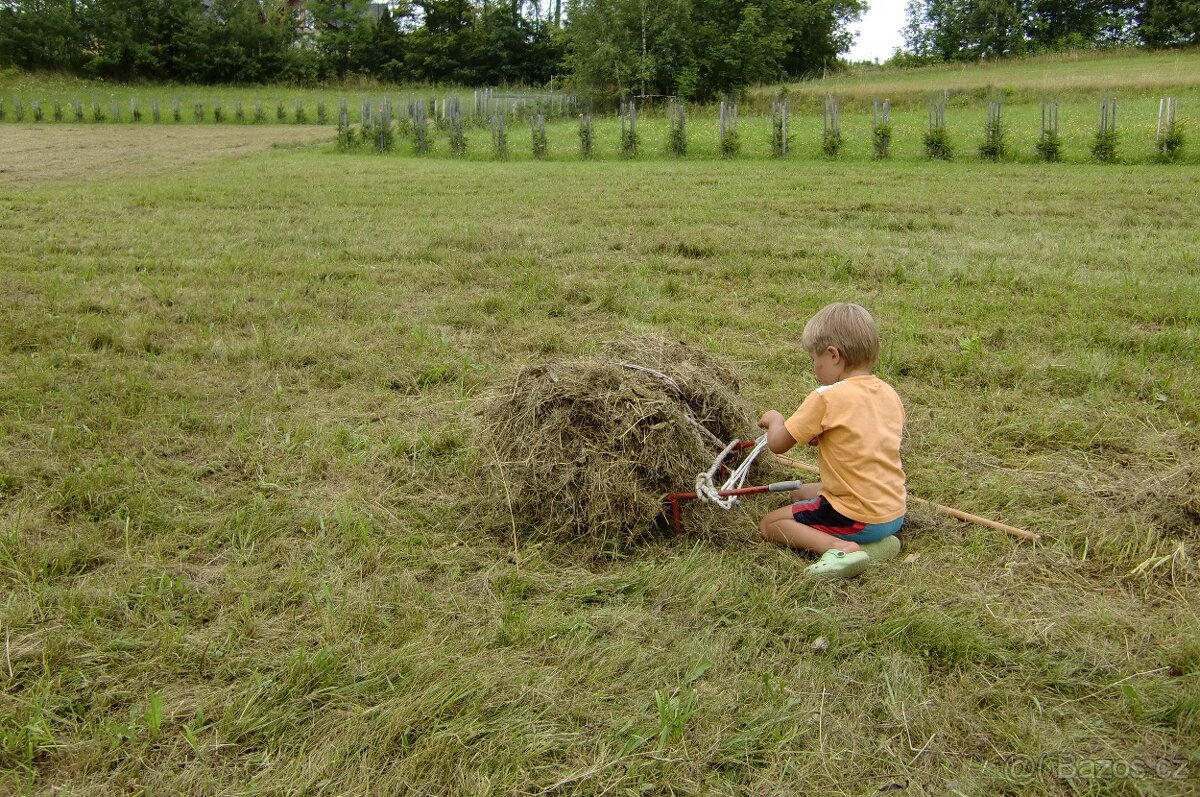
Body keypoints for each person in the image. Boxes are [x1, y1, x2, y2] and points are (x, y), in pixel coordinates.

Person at [757, 302, 906, 579]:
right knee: (800, 493)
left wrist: (775, 419)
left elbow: (777, 444)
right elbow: (861, 437)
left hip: (858, 515)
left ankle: (840, 548)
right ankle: (877, 545)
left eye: (815, 359)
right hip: (893, 511)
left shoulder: (827, 397)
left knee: (771, 524)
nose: (815, 368)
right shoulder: (888, 393)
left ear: (833, 355)